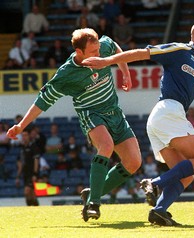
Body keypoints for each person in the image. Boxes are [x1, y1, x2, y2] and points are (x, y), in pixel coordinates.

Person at [81, 20, 194, 226]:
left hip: (165, 117)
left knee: (185, 175)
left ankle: (159, 211)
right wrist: (107, 61)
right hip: (167, 111)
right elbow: (142, 53)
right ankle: (153, 183)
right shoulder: (179, 50)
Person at [7, 28, 142, 221]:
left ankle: (91, 194)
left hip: (115, 113)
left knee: (134, 162)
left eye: (98, 50)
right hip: (92, 114)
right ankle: (94, 204)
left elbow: (113, 46)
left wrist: (125, 72)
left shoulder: (102, 47)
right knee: (106, 145)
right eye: (93, 53)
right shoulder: (66, 74)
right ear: (79, 52)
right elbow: (42, 102)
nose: (99, 55)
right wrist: (21, 126)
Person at [16, 129, 40, 206]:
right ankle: (35, 209)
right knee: (31, 194)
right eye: (23, 135)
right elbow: (20, 163)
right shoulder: (22, 148)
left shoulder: (33, 146)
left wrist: (35, 174)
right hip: (25, 174)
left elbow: (36, 160)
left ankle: (29, 209)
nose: (24, 137)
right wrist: (18, 176)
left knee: (27, 191)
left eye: (26, 135)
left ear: (29, 136)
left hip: (31, 173)